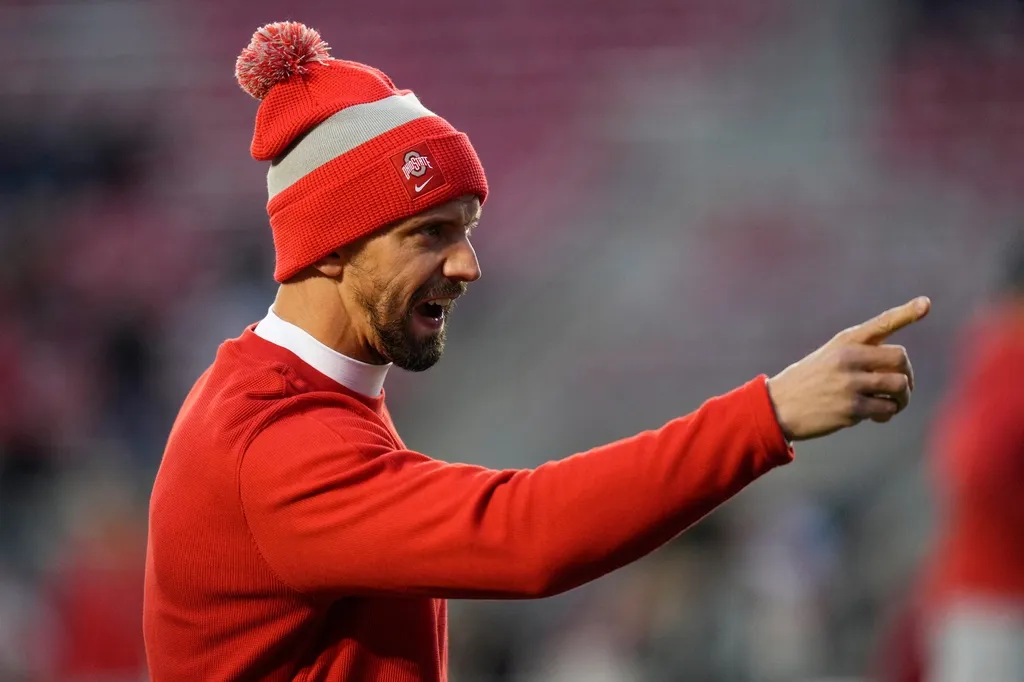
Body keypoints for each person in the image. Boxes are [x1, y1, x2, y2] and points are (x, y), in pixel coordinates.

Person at [142, 21, 931, 682]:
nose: (466, 265)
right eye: (430, 233)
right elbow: (523, 536)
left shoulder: (292, 397)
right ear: (329, 248)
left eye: (468, 230)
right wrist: (768, 416)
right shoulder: (271, 441)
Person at [916, 235, 1024, 682]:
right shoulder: (1010, 355)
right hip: (1000, 599)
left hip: (988, 594)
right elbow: (975, 470)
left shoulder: (993, 350)